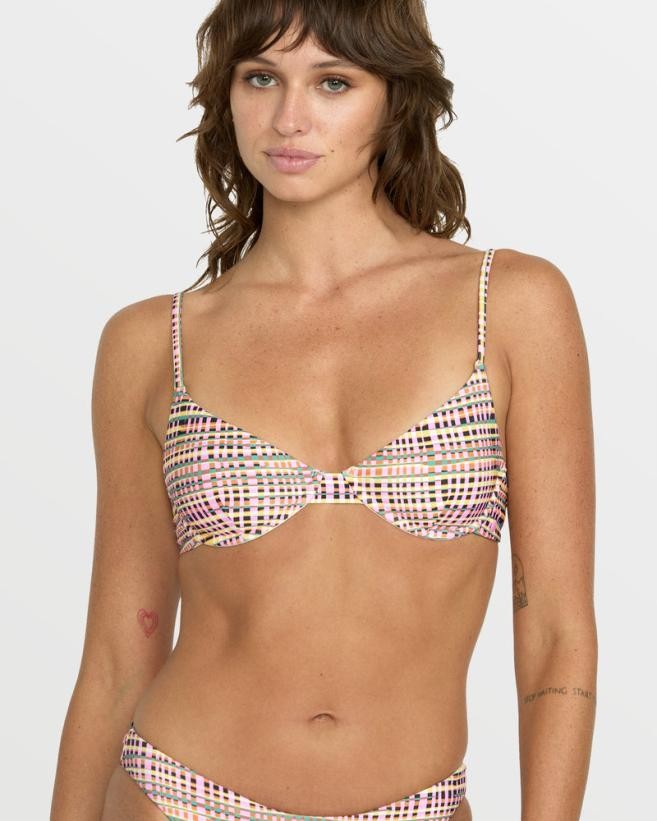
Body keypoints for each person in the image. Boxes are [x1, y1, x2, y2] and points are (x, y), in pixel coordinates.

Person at [50, 1, 597, 819]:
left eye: (332, 82)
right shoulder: (152, 342)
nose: (288, 118)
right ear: (226, 94)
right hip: (177, 795)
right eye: (259, 78)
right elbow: (116, 655)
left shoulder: (509, 305)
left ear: (394, 97)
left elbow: (555, 631)